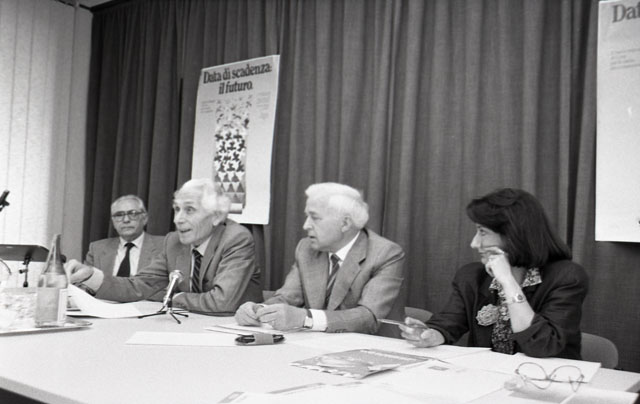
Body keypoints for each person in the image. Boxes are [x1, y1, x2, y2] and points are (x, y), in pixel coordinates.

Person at [400, 188, 588, 359]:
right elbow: (448, 323)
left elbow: (542, 345)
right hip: (490, 377)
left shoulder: (567, 277)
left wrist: (508, 282)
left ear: (513, 235)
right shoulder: (471, 276)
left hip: (548, 378)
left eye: (482, 232)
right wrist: (431, 335)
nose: (474, 243)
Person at [67, 178, 262, 313]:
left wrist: (174, 298)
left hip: (234, 331)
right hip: (187, 325)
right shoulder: (173, 241)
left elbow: (222, 301)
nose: (178, 219)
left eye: (189, 210)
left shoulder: (236, 238)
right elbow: (139, 286)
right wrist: (91, 276)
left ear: (216, 216)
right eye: (177, 209)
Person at [235, 182, 405, 334]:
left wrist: (306, 319)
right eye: (307, 217)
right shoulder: (306, 249)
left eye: (314, 218)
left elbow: (368, 318)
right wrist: (259, 310)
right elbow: (287, 297)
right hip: (317, 345)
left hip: (372, 348)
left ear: (345, 223)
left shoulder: (385, 253)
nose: (306, 225)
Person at [84, 195, 164, 278]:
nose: (126, 220)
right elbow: (85, 282)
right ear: (113, 222)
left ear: (145, 219)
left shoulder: (164, 246)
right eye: (119, 215)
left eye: (133, 213)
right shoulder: (97, 249)